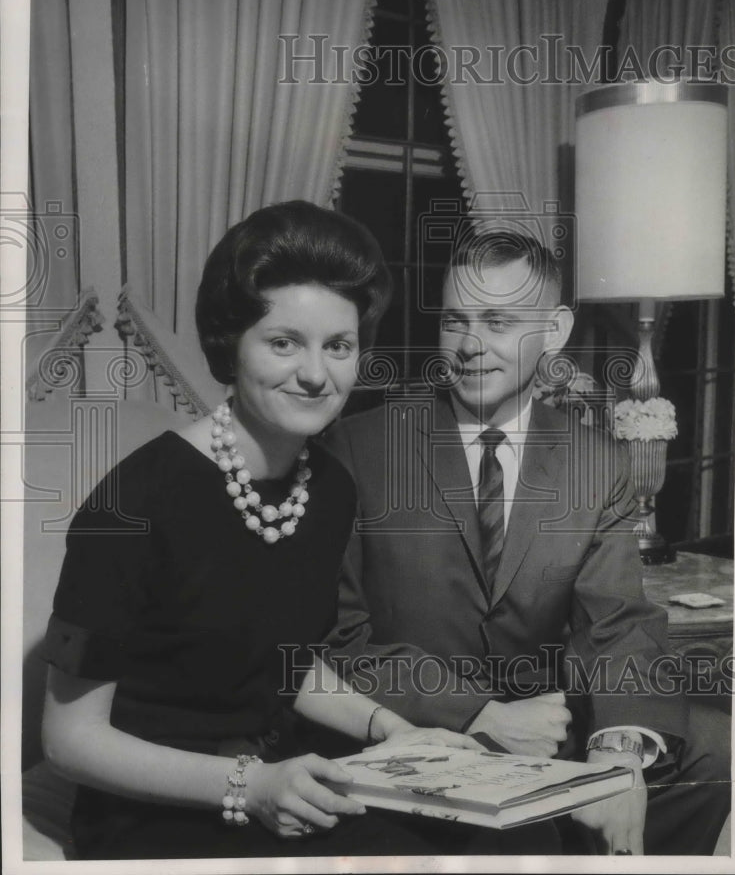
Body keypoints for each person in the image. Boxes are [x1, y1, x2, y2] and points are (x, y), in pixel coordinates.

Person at [40, 203, 559, 860]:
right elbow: (69, 739)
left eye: (338, 346)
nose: (316, 374)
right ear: (232, 345)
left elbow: (285, 663)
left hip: (285, 776)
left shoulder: (329, 488)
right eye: (284, 343)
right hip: (156, 812)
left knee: (525, 834)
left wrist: (394, 731)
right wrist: (249, 786)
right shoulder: (131, 505)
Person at [323, 227, 731, 856]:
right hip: (413, 728)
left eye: (498, 322)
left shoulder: (595, 462)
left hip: (549, 726)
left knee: (722, 749)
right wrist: (478, 716)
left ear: (555, 330)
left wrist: (618, 752)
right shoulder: (357, 448)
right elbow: (339, 640)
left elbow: (619, 623)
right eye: (456, 321)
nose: (470, 346)